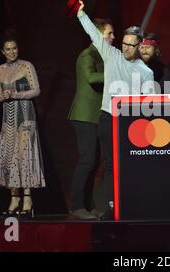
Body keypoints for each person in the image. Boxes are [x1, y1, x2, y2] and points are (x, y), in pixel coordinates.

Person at [76, 0, 154, 220]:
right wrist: (82, 14)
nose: (126, 47)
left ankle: (133, 204)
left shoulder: (146, 72)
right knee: (110, 165)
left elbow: (147, 104)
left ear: (140, 46)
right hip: (108, 119)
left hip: (130, 124)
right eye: (124, 43)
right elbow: (93, 33)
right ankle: (113, 206)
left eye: (131, 44)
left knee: (130, 164)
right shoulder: (111, 55)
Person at [0, 29, 45, 218]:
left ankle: (27, 198)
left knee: (23, 155)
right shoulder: (0, 70)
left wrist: (17, 95)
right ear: (3, 51)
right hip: (8, 118)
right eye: (8, 49)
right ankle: (14, 198)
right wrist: (3, 96)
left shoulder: (26, 66)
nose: (12, 52)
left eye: (14, 48)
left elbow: (36, 90)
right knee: (9, 155)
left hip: (25, 116)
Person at [68, 18, 114, 220]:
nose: (113, 37)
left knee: (94, 162)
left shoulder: (104, 55)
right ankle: (77, 205)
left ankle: (88, 204)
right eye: (109, 34)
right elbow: (92, 78)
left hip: (96, 115)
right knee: (87, 160)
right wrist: (114, 74)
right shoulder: (87, 55)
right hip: (84, 115)